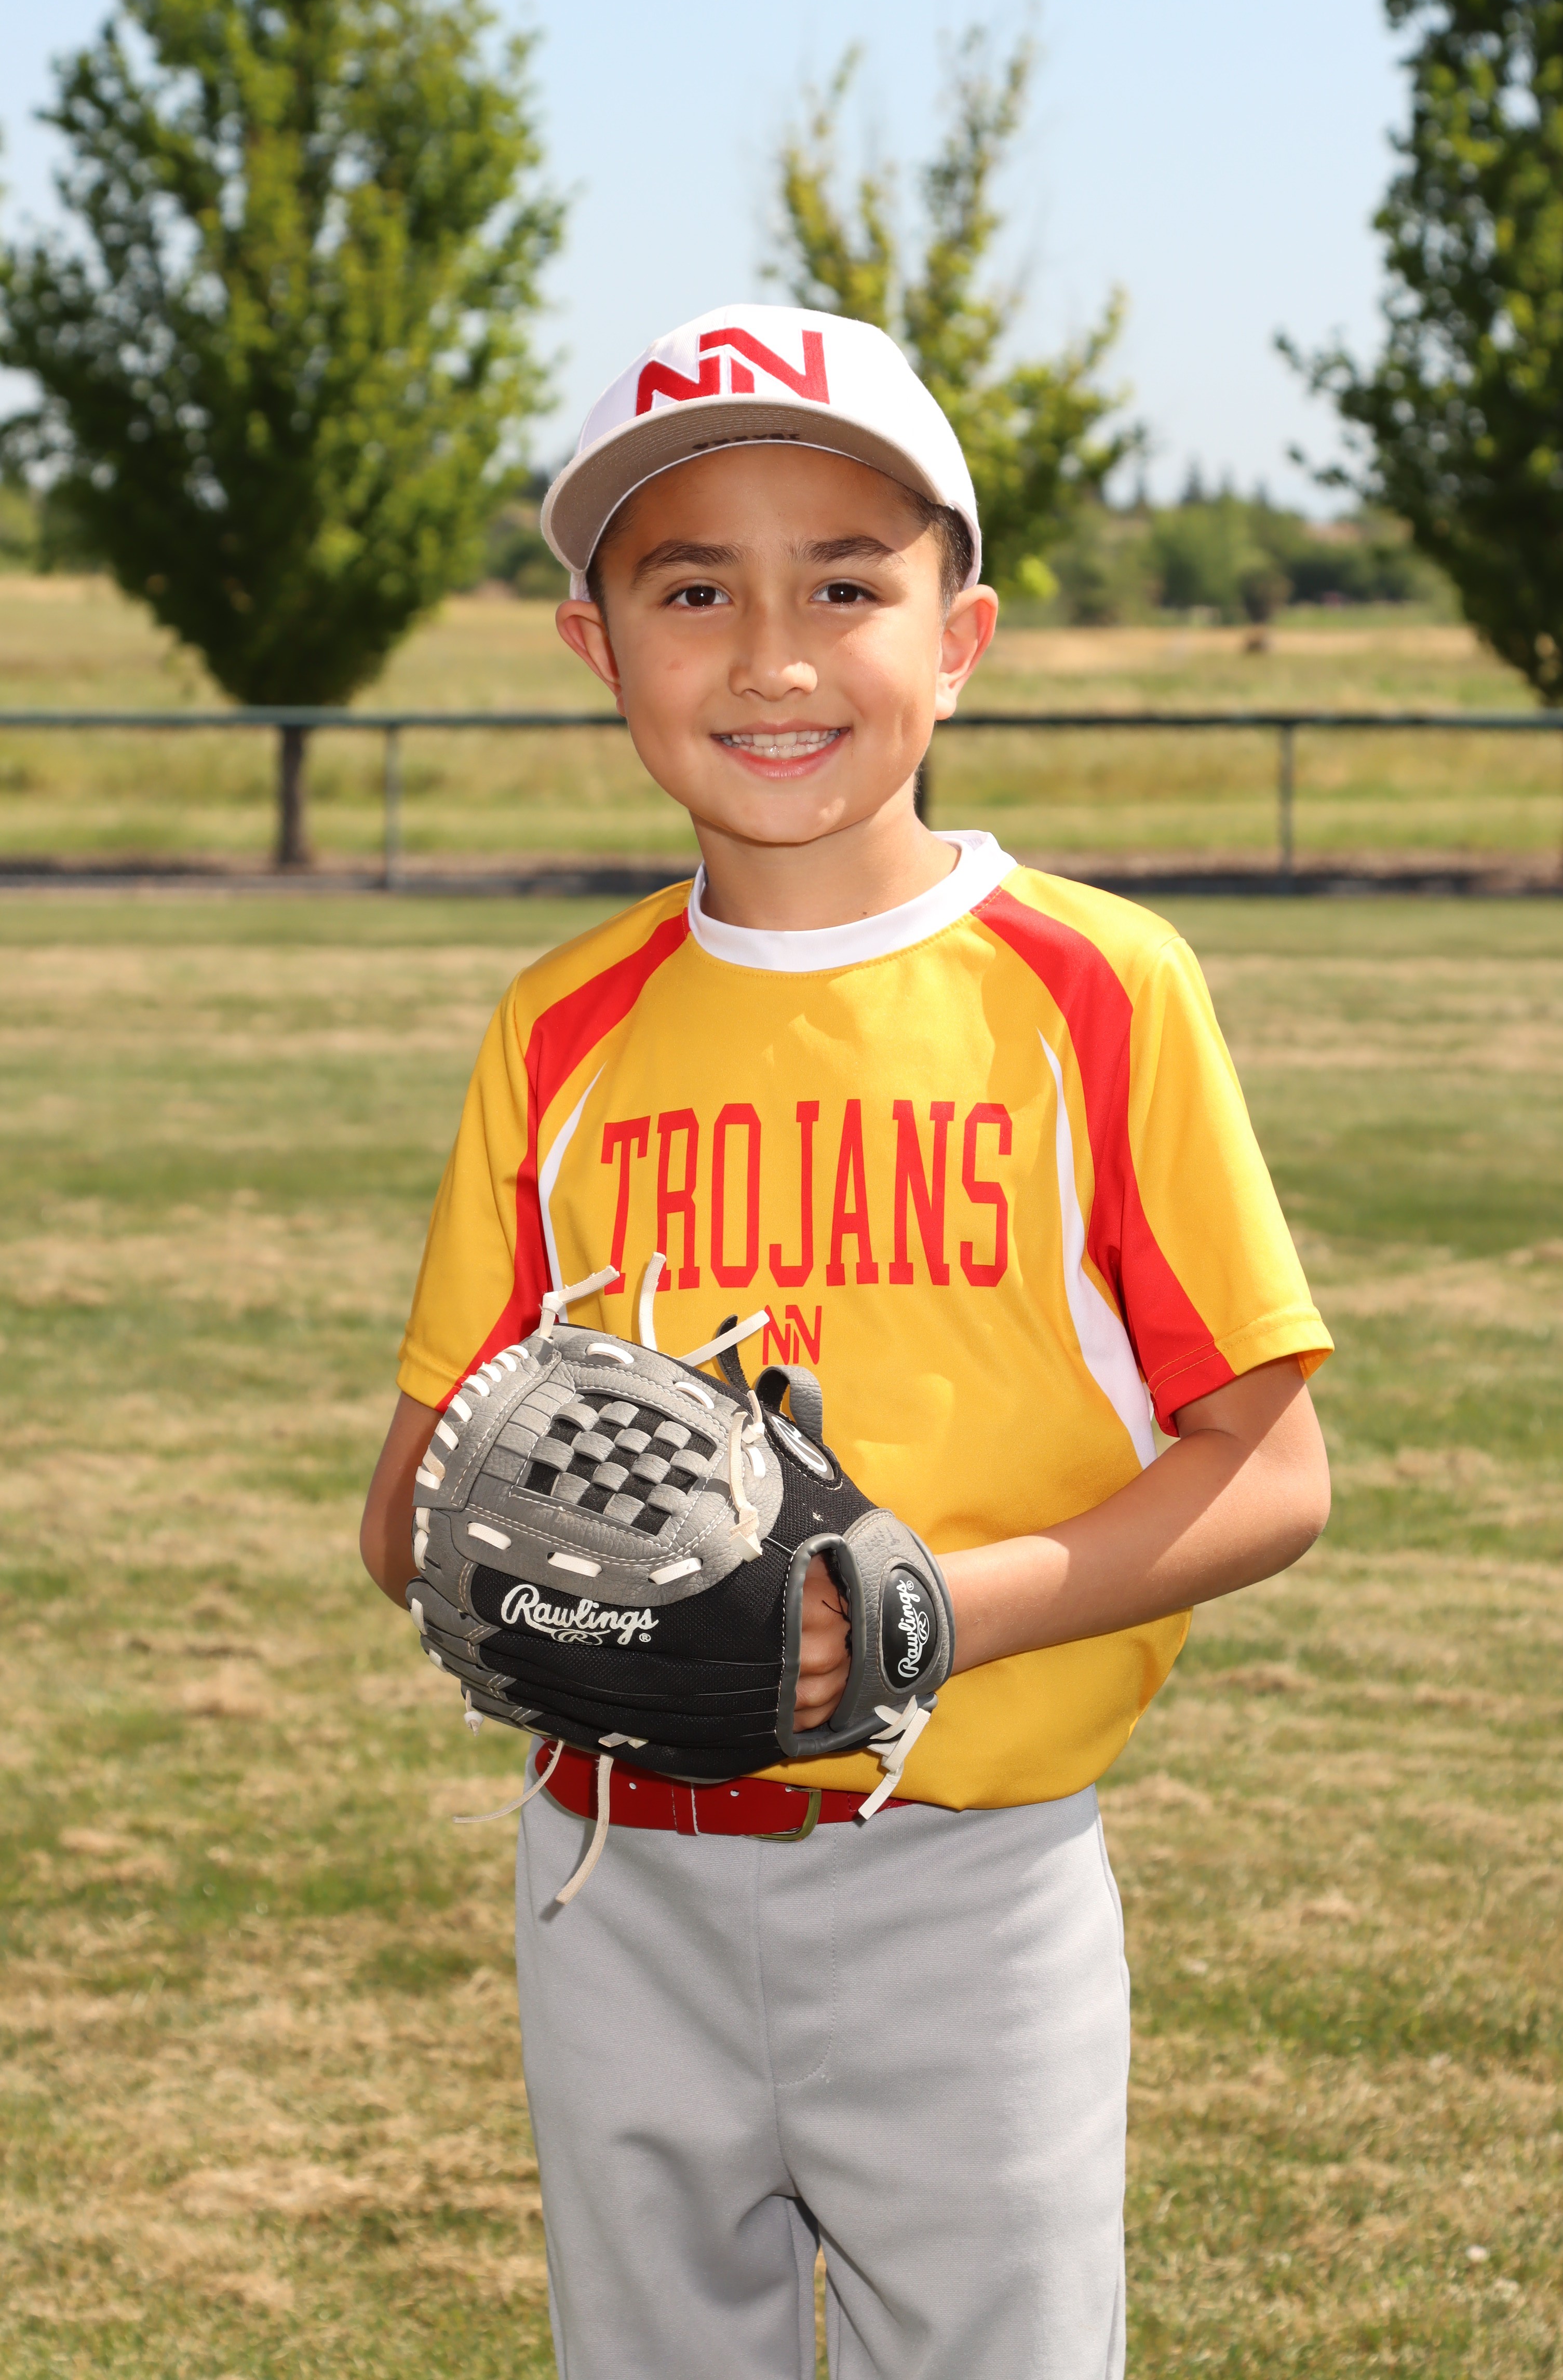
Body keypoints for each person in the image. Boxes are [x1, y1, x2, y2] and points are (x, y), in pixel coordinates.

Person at [359, 303, 1333, 2380]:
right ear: (596, 648)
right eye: (691, 589)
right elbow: (413, 1501)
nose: (772, 657)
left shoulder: (1092, 988)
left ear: (958, 639)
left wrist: (914, 1617)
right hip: (612, 1869)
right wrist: (572, 1564)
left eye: (845, 586)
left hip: (963, 1883)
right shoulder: (561, 1027)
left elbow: (1269, 1469)